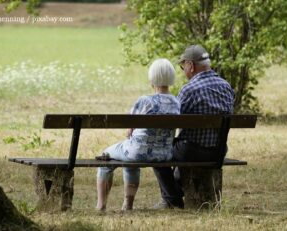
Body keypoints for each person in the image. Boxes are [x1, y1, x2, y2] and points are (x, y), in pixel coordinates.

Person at [152, 45, 235, 209]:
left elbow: (173, 120)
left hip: (192, 151)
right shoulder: (226, 86)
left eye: (183, 66)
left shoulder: (189, 90)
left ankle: (172, 199)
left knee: (156, 151)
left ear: (190, 65)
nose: (183, 70)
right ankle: (175, 194)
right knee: (178, 148)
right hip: (218, 151)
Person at [96, 58, 180, 211]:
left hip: (137, 153)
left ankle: (101, 206)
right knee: (130, 158)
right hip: (164, 155)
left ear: (152, 78)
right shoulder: (177, 102)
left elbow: (129, 131)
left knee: (106, 156)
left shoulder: (144, 101)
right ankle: (127, 205)